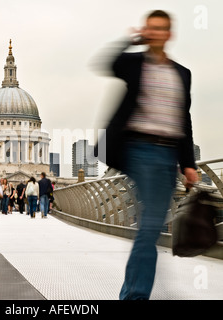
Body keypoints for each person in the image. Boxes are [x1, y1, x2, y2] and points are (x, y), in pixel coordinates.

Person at [91, 10, 198, 300]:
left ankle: (130, 292)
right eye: (151, 28)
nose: (157, 33)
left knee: (148, 229)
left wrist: (188, 164)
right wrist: (131, 39)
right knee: (151, 225)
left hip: (168, 155)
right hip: (139, 150)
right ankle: (135, 295)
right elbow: (107, 64)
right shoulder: (134, 63)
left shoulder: (181, 74)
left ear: (169, 33)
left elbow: (183, 120)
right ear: (147, 31)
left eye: (162, 28)